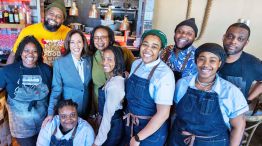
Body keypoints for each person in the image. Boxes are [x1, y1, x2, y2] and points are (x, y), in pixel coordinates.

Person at [168, 43, 249, 146]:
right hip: (179, 140)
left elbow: (239, 127)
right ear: (196, 60)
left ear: (219, 63)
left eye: (212, 60)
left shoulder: (230, 92)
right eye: (202, 59)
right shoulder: (182, 84)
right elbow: (175, 114)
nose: (206, 64)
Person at [122, 29, 175, 146]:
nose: (148, 49)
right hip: (130, 124)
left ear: (161, 51)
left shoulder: (165, 74)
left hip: (150, 133)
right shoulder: (136, 64)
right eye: (145, 44)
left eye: (154, 47)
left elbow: (163, 114)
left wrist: (138, 138)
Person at [0, 36, 52, 146]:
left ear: (39, 53)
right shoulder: (8, 71)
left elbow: (53, 94)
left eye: (34, 51)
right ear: (20, 52)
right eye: (26, 50)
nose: (30, 54)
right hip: (21, 127)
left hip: (43, 123)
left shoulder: (46, 70)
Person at [43, 30, 92, 126]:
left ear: (83, 43)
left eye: (79, 42)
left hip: (86, 108)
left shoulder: (88, 59)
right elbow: (56, 89)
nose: (76, 46)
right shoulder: (60, 63)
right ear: (68, 44)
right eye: (72, 42)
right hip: (69, 110)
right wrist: (50, 113)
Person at [1, 0, 71, 66]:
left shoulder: (69, 33)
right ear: (45, 13)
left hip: (60, 74)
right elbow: (13, 54)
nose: (54, 18)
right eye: (51, 13)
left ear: (62, 20)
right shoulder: (28, 31)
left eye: (59, 16)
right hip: (37, 73)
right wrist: (7, 74)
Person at [89, 25, 135, 112]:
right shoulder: (91, 55)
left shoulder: (123, 52)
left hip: (119, 106)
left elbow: (136, 73)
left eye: (103, 37)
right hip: (99, 105)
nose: (99, 41)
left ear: (110, 39)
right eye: (96, 38)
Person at [219, 23, 262, 101]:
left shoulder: (253, 63)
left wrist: (248, 99)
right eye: (230, 36)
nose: (233, 41)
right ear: (224, 37)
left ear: (246, 42)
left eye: (240, 39)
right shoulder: (212, 56)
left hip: (235, 111)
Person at [93, 46, 125, 146]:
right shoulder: (113, 78)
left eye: (110, 59)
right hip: (111, 124)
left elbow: (107, 117)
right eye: (104, 59)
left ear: (118, 61)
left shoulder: (115, 85)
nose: (105, 62)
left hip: (112, 127)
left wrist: (97, 143)